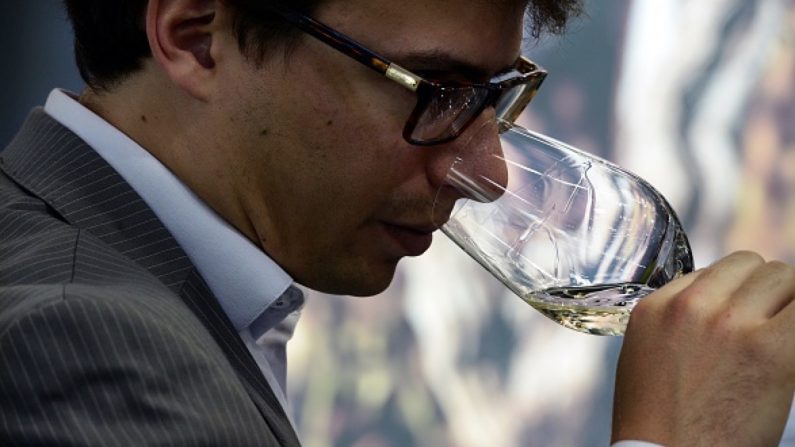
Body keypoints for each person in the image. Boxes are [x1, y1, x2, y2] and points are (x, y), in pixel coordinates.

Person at [0, 0, 793, 446]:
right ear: (196, 39)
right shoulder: (79, 335)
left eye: (496, 97)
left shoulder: (148, 285)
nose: (485, 173)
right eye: (437, 90)